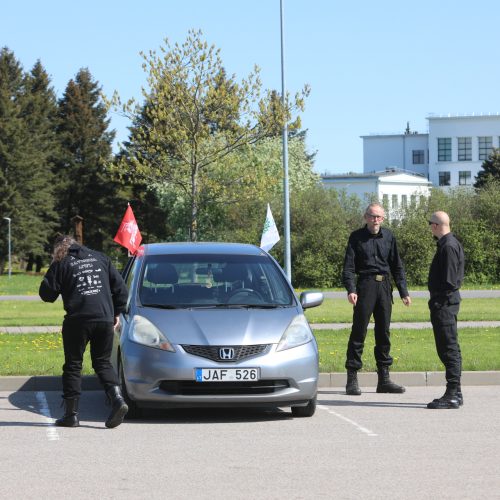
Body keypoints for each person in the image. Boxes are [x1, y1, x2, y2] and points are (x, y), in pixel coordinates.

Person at [39, 235, 129, 428]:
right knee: (103, 362)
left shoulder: (61, 263)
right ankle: (118, 400)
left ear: (59, 249)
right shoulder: (101, 258)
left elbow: (46, 294)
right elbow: (121, 290)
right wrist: (116, 312)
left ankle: (71, 415)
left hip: (78, 320)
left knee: (73, 365)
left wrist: (54, 268)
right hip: (104, 318)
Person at [342, 203, 411, 395]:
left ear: (383, 218)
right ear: (366, 217)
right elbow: (348, 267)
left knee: (384, 333)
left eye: (379, 217)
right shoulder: (356, 237)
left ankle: (384, 379)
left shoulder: (389, 236)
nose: (376, 220)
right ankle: (352, 379)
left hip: (384, 287)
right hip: (365, 285)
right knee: (359, 331)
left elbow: (397, 266)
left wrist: (403, 292)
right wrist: (351, 289)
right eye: (372, 216)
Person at [427, 211, 465, 409]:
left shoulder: (448, 247)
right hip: (445, 303)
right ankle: (455, 392)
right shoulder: (449, 244)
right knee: (447, 347)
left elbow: (449, 281)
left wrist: (438, 302)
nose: (429, 227)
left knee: (448, 347)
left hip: (445, 304)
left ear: (435, 225)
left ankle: (452, 393)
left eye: (429, 224)